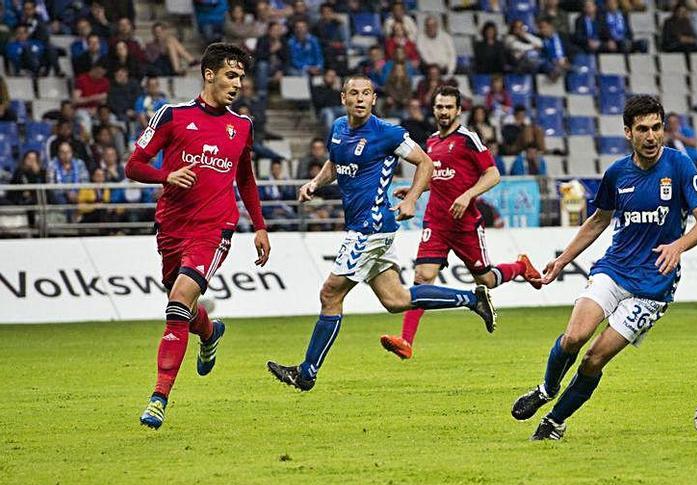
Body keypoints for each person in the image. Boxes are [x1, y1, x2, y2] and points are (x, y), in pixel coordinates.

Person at [266, 76, 497, 391]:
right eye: (353, 93)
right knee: (396, 299)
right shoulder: (337, 129)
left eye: (366, 94)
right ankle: (472, 299)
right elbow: (335, 164)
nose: (360, 99)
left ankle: (307, 372)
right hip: (365, 226)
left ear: (374, 99)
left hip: (371, 226)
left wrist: (413, 198)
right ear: (343, 97)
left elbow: (425, 163)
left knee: (329, 294)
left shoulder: (387, 133)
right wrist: (315, 184)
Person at [510, 95, 697, 441]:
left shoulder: (680, 166)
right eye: (642, 129)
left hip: (653, 288)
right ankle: (546, 389)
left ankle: (554, 423)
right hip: (614, 270)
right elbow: (598, 220)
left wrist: (678, 245)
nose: (651, 137)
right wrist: (561, 260)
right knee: (575, 335)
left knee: (594, 359)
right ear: (627, 133)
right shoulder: (617, 174)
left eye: (656, 128)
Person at [125, 43, 271, 429]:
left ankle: (158, 398)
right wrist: (166, 175)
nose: (238, 83)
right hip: (171, 226)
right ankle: (210, 331)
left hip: (214, 228)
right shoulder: (172, 116)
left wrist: (258, 225)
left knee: (176, 304)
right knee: (183, 308)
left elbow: (246, 178)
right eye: (230, 75)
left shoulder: (241, 126)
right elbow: (133, 165)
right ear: (209, 75)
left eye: (241, 77)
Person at [380, 86, 542, 360]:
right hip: (436, 222)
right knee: (421, 278)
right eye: (439, 107)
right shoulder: (431, 142)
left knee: (486, 280)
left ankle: (520, 266)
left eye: (448, 107)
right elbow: (439, 178)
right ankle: (406, 341)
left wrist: (467, 195)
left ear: (458, 110)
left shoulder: (468, 139)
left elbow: (493, 175)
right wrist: (414, 191)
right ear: (433, 109)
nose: (443, 112)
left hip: (465, 225)